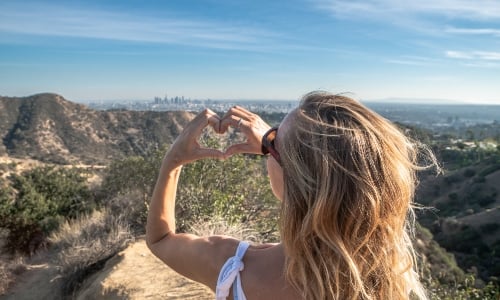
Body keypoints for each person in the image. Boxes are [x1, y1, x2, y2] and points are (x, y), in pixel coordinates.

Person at [146, 91, 437, 299]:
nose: (265, 142)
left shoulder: (234, 268)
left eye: (273, 143)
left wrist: (173, 162)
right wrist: (275, 144)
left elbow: (160, 239)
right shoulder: (385, 278)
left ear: (294, 179)